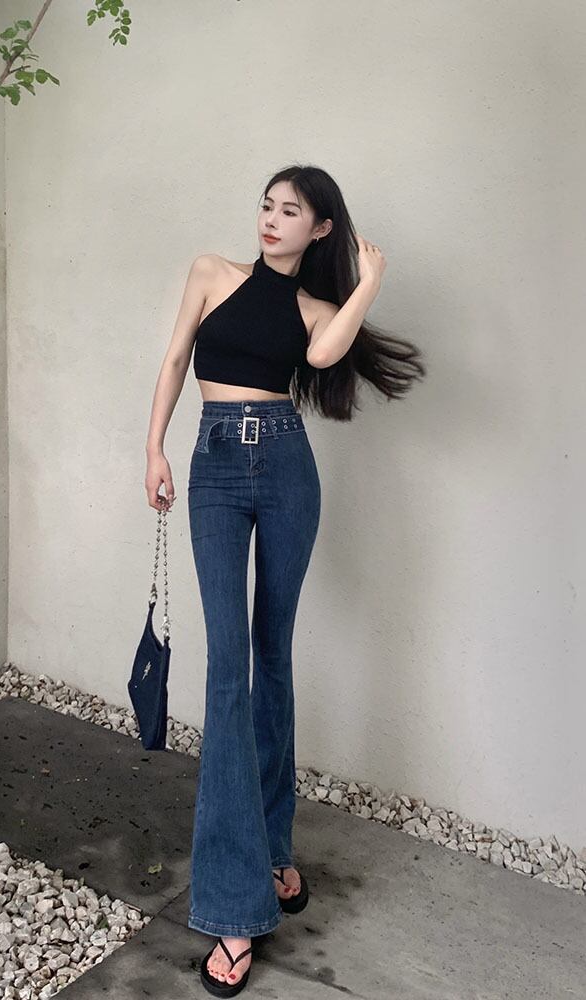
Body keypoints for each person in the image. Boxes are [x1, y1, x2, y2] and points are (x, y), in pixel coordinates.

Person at [144, 164, 426, 996]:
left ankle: (272, 852)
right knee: (227, 670)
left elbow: (326, 352)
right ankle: (235, 906)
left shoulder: (314, 310)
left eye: (290, 210)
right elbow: (175, 358)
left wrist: (368, 284)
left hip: (286, 467)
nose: (270, 219)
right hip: (213, 464)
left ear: (320, 228)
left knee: (271, 659)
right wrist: (152, 448)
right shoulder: (211, 272)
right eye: (266, 206)